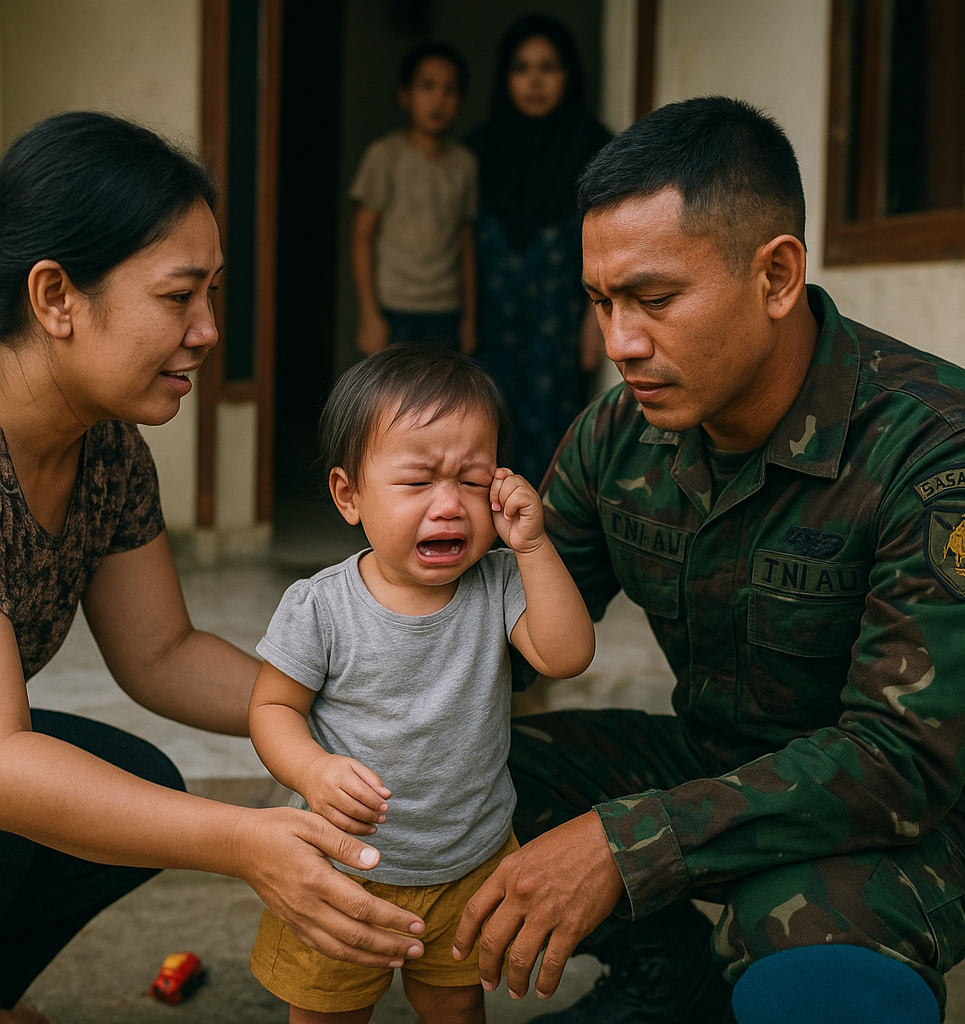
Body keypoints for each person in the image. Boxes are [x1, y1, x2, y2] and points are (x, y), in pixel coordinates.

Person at [452, 98, 965, 1024]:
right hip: (716, 761)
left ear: (777, 276)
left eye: (655, 300)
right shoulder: (618, 434)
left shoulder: (945, 451)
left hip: (924, 815)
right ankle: (667, 975)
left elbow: (903, 763)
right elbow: (498, 634)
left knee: (796, 944)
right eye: (601, 302)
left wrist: (627, 846)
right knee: (448, 779)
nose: (621, 343)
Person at [0, 112, 431, 1024]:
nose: (206, 330)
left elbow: (161, 652)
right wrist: (244, 840)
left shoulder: (106, 450)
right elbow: (3, 762)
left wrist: (348, 711)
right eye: (177, 296)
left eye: (213, 293)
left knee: (134, 780)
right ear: (55, 296)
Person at [248, 346, 595, 1023]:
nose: (449, 505)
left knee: (455, 1007)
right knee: (327, 1014)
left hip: (470, 862)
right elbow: (271, 707)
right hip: (343, 867)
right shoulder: (321, 607)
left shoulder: (498, 582)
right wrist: (313, 770)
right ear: (349, 495)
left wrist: (532, 546)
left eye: (472, 480)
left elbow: (567, 656)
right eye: (416, 481)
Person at [466, 14, 611, 485]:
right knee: (482, 429)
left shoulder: (596, 149)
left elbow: (609, 242)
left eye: (548, 67)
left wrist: (595, 320)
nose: (534, 81)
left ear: (568, 75)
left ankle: (544, 531)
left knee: (555, 438)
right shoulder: (478, 151)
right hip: (489, 326)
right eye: (522, 68)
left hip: (558, 329)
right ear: (504, 77)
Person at [350, 42, 477, 356]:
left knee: (443, 386)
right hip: (394, 305)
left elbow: (466, 244)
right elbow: (362, 238)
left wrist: (469, 318)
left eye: (449, 90)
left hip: (445, 307)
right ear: (405, 95)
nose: (438, 100)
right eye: (427, 86)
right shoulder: (384, 156)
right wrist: (369, 314)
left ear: (460, 101)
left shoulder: (465, 163)